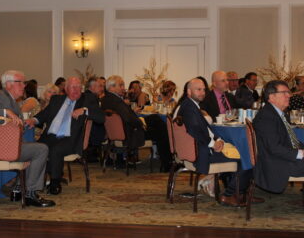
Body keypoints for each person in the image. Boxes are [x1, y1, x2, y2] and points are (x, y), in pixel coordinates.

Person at [0, 70, 55, 208]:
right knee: (41, 149)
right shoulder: (0, 96)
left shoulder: (10, 99)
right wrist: (5, 112)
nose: (24, 86)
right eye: (21, 82)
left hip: (5, 147)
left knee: (32, 149)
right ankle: (30, 194)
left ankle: (18, 189)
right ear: (9, 84)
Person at [177, 78, 258, 206]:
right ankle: (230, 195)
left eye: (204, 89)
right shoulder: (189, 107)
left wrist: (218, 139)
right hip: (201, 154)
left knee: (242, 153)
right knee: (246, 157)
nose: (202, 92)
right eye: (198, 89)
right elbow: (194, 130)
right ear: (188, 91)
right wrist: (212, 144)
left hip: (201, 149)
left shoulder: (191, 105)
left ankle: (241, 193)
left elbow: (205, 129)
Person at [27, 77, 105, 195]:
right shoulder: (56, 99)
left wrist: (85, 110)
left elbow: (101, 117)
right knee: (34, 149)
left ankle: (55, 182)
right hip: (50, 136)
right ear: (66, 89)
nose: (76, 90)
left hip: (71, 139)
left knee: (55, 150)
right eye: (73, 87)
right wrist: (33, 120)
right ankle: (27, 183)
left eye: (79, 87)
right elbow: (44, 114)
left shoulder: (88, 99)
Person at [101, 75, 171, 171]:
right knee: (161, 130)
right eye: (121, 85)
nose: (123, 88)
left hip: (125, 130)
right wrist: (141, 123)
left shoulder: (107, 99)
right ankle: (167, 164)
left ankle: (167, 161)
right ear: (111, 87)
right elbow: (129, 119)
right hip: (130, 133)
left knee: (155, 118)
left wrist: (140, 120)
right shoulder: (116, 101)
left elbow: (126, 116)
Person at [253, 80, 304, 193]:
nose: (289, 95)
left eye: (288, 92)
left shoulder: (278, 113)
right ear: (272, 97)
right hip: (277, 163)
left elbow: (291, 140)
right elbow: (274, 148)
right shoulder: (267, 117)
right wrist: (300, 153)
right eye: (284, 92)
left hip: (284, 157)